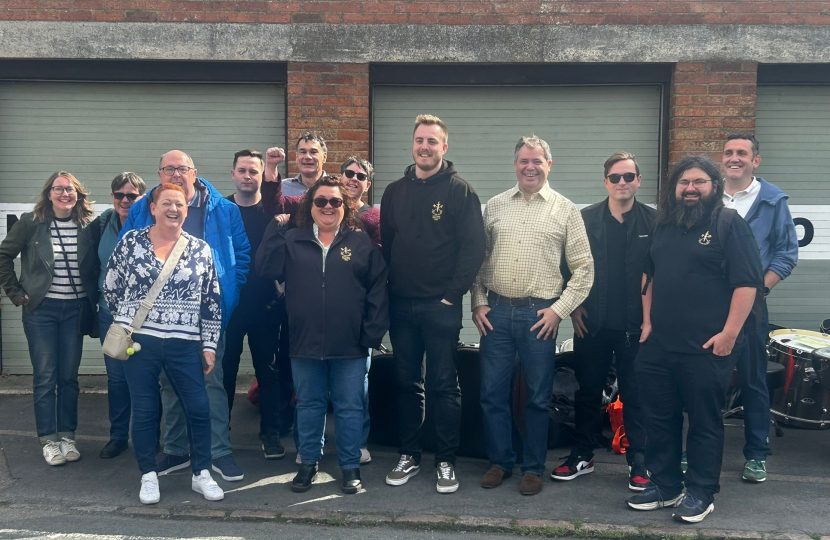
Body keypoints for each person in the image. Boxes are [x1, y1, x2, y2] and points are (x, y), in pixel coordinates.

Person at [626, 156, 763, 523]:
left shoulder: (728, 225)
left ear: (714, 187)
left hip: (706, 349)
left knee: (704, 423)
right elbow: (648, 276)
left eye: (699, 182)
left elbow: (747, 283)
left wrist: (729, 335)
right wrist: (647, 323)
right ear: (674, 189)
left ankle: (701, 491)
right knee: (659, 419)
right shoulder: (663, 225)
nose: (690, 188)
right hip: (658, 346)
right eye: (684, 182)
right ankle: (666, 485)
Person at [471, 136, 593, 496]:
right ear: (515, 164)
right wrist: (478, 301)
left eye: (537, 161)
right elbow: (478, 261)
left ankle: (533, 467)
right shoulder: (494, 206)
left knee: (539, 397)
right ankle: (500, 462)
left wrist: (559, 310)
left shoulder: (565, 209)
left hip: (540, 316)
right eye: (524, 161)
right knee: (492, 394)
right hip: (496, 313)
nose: (530, 167)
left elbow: (584, 268)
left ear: (549, 165)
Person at [121, 150, 250, 482]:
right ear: (160, 173)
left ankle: (219, 452)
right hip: (157, 321)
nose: (175, 174)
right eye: (168, 169)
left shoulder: (225, 209)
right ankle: (176, 450)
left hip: (207, 315)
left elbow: (242, 255)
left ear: (195, 173)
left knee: (211, 383)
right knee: (168, 384)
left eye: (182, 169)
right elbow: (122, 259)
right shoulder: (142, 208)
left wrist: (227, 295)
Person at [256, 177, 389, 494]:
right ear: (309, 206)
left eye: (335, 202)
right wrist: (276, 229)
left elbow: (379, 291)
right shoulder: (293, 241)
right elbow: (265, 268)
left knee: (349, 407)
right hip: (304, 343)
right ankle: (308, 464)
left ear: (345, 207)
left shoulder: (361, 245)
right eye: (321, 201)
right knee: (309, 406)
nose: (328, 207)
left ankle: (349, 466)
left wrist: (370, 335)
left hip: (351, 345)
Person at [381, 114, 486, 494]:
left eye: (432, 141)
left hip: (439, 306)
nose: (425, 147)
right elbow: (389, 245)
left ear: (444, 147)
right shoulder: (393, 191)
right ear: (413, 144)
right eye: (419, 140)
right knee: (407, 382)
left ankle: (445, 461)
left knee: (444, 384)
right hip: (402, 305)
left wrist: (451, 294)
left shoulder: (461, 192)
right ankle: (409, 454)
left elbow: (474, 249)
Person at [104, 183, 224, 505]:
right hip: (140, 343)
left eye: (180, 204)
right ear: (153, 208)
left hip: (184, 343)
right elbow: (111, 284)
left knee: (199, 408)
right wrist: (128, 322)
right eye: (166, 203)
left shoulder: (200, 249)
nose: (174, 209)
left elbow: (211, 301)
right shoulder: (131, 242)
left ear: (187, 210)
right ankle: (148, 474)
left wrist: (209, 344)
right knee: (144, 410)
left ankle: (201, 473)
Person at [551, 152, 654, 491]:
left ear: (638, 180)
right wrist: (574, 307)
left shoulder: (654, 221)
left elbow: (660, 274)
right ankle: (582, 455)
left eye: (628, 177)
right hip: (592, 324)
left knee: (637, 395)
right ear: (605, 181)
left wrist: (652, 320)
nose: (622, 183)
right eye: (615, 177)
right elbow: (567, 266)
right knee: (587, 392)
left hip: (636, 328)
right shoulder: (584, 219)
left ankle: (639, 462)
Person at [0, 172, 99, 466]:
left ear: (78, 194)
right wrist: (16, 293)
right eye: (59, 189)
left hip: (74, 311)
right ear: (49, 193)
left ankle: (67, 436)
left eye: (70, 189)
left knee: (68, 377)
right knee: (45, 375)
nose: (64, 194)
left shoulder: (88, 225)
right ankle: (48, 440)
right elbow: (3, 255)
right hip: (41, 310)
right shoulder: (31, 222)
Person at [721, 133, 798, 483]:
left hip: (752, 308)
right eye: (728, 153)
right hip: (707, 307)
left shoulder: (772, 200)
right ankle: (699, 448)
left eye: (742, 153)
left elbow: (786, 253)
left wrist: (760, 290)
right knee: (707, 382)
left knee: (753, 382)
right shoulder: (708, 195)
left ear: (756, 160)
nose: (733, 158)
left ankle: (756, 455)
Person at [222, 149, 285, 461]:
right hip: (229, 307)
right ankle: (220, 434)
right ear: (233, 173)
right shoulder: (220, 210)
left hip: (265, 306)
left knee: (268, 371)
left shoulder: (272, 211)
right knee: (224, 371)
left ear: (262, 176)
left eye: (254, 171)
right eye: (242, 170)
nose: (247, 176)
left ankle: (271, 433)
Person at [91, 172, 147, 459]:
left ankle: (149, 436)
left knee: (146, 376)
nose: (125, 200)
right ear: (112, 197)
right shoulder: (102, 223)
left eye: (132, 195)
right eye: (119, 195)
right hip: (109, 314)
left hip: (145, 315)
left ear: (142, 197)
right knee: (116, 378)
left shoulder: (152, 223)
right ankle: (117, 436)